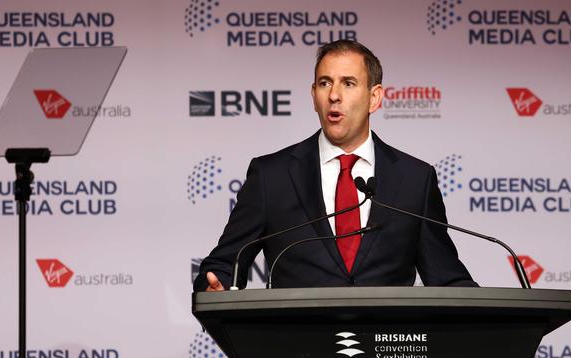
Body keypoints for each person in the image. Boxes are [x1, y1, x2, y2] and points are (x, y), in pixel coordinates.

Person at [194, 40, 476, 292]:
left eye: (348, 83)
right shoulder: (272, 176)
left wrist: (501, 318)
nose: (334, 95)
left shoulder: (416, 179)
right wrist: (214, 286)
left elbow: (446, 276)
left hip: (385, 346)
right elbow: (225, 263)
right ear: (313, 95)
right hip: (297, 346)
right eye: (325, 83)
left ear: (374, 98)